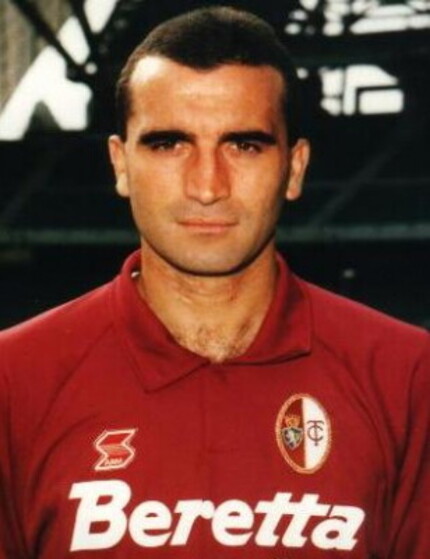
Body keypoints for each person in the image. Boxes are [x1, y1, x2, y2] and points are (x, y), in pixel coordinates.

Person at [0, 6, 428, 558]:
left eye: (244, 145)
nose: (207, 186)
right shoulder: (13, 382)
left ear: (294, 168)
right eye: (169, 144)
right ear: (120, 164)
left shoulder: (407, 376)